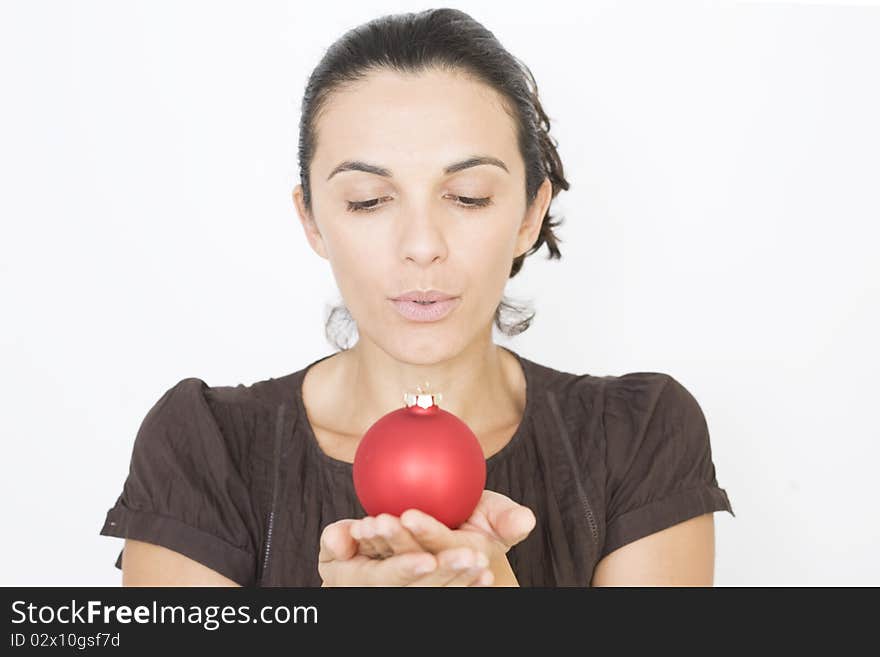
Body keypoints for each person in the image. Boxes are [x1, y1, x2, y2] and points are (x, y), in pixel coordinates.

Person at [99, 8, 734, 587]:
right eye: (369, 201)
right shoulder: (206, 448)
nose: (422, 245)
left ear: (529, 214)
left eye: (468, 197)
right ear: (314, 220)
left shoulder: (638, 437)